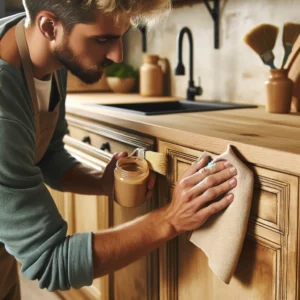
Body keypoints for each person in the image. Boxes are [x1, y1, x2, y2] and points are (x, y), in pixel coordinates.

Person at [0, 0, 238, 298]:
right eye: (102, 39)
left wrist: (100, 182)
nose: (117, 54)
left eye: (121, 35)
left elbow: (47, 155)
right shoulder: (3, 108)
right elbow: (50, 260)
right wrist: (169, 219)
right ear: (49, 26)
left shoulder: (49, 53)